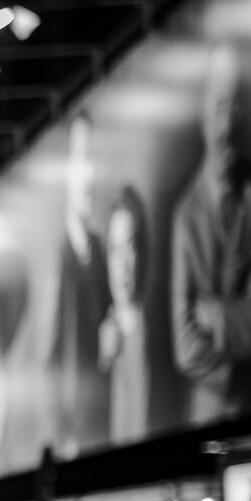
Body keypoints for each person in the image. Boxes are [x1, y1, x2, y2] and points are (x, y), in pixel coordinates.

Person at [171, 42, 251, 425]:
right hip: (207, 418)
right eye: (218, 106)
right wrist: (239, 371)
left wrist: (214, 316)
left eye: (234, 105)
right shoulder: (185, 215)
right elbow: (184, 347)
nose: (227, 125)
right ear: (202, 112)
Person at [55, 109, 112, 452]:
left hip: (103, 433)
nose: (88, 175)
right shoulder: (55, 259)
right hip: (72, 438)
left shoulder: (100, 249)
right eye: (80, 158)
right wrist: (62, 436)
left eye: (93, 158)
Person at [98, 184, 150, 444]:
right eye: (114, 250)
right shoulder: (103, 337)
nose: (123, 264)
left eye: (130, 246)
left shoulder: (154, 328)